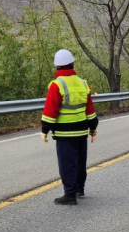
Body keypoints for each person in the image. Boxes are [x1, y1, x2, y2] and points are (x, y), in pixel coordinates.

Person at [41, 49, 99, 205]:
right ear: (72, 63)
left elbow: (50, 111)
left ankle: (70, 195)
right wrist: (93, 128)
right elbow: (90, 110)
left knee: (67, 163)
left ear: (57, 67)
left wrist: (45, 129)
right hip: (81, 132)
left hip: (65, 134)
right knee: (80, 161)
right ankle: (80, 189)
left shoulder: (57, 84)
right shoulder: (83, 83)